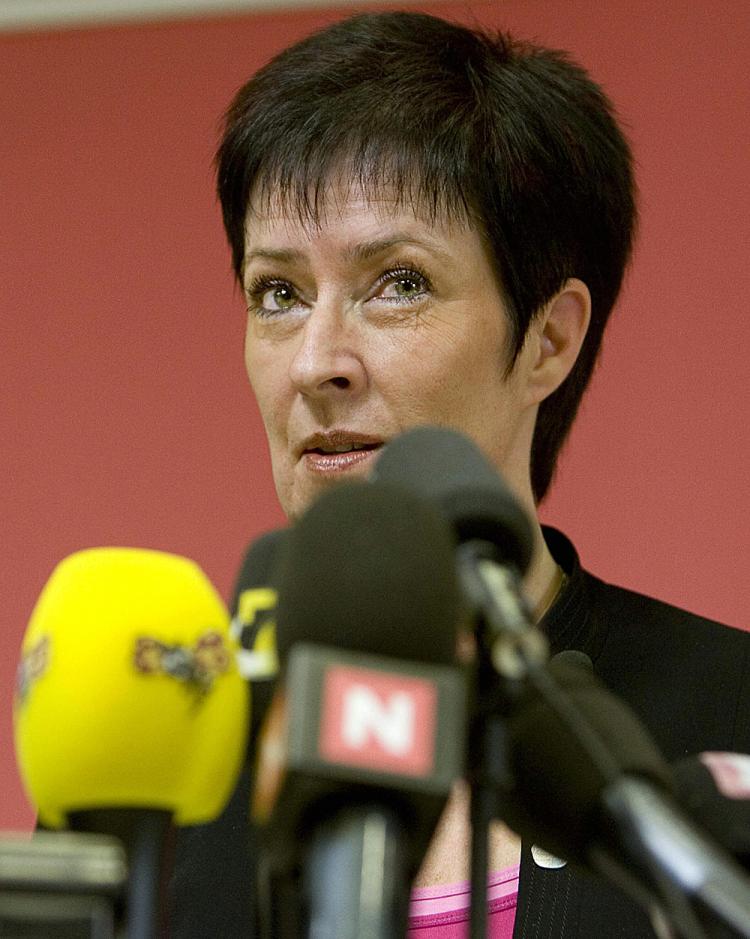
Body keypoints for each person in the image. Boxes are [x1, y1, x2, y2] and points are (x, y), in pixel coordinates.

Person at [170, 11, 750, 937]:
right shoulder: (163, 764)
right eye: (277, 293)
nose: (317, 361)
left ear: (549, 339)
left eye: (397, 282)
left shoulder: (731, 713)